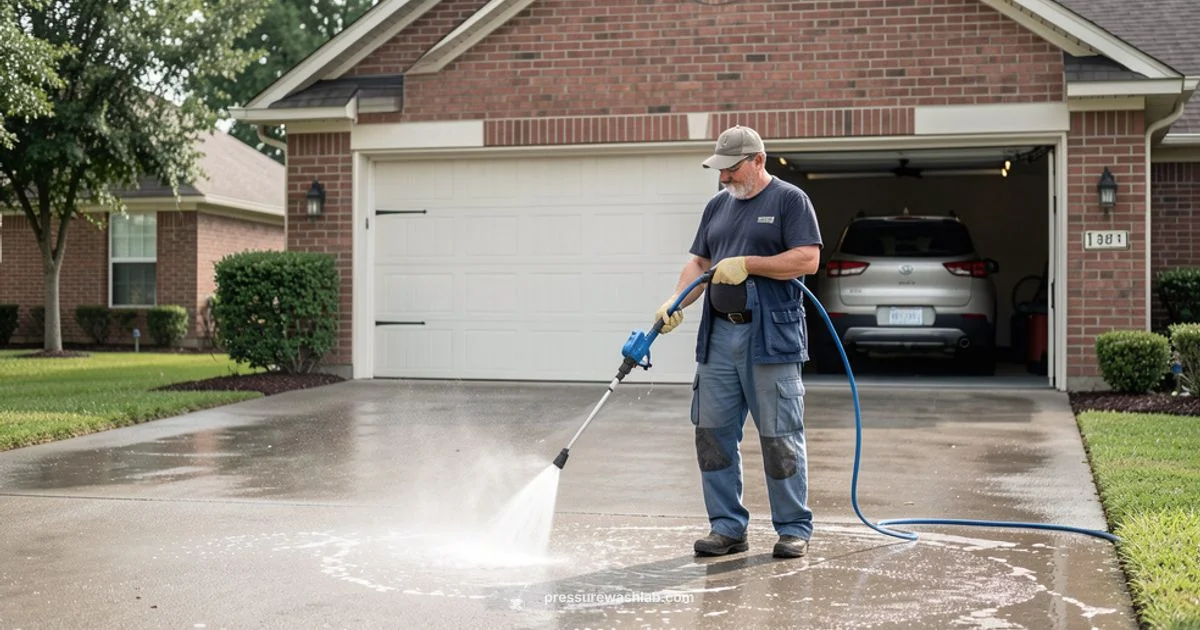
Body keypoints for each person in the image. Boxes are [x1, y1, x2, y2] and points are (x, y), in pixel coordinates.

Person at [655, 125, 822, 559]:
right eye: (719, 170)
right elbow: (699, 263)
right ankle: (727, 527)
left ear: (758, 161)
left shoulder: (789, 200)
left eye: (731, 169)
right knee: (712, 434)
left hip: (769, 338)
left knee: (779, 435)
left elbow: (808, 258)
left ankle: (793, 528)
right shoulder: (717, 207)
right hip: (719, 336)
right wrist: (675, 301)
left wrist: (750, 264)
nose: (724, 178)